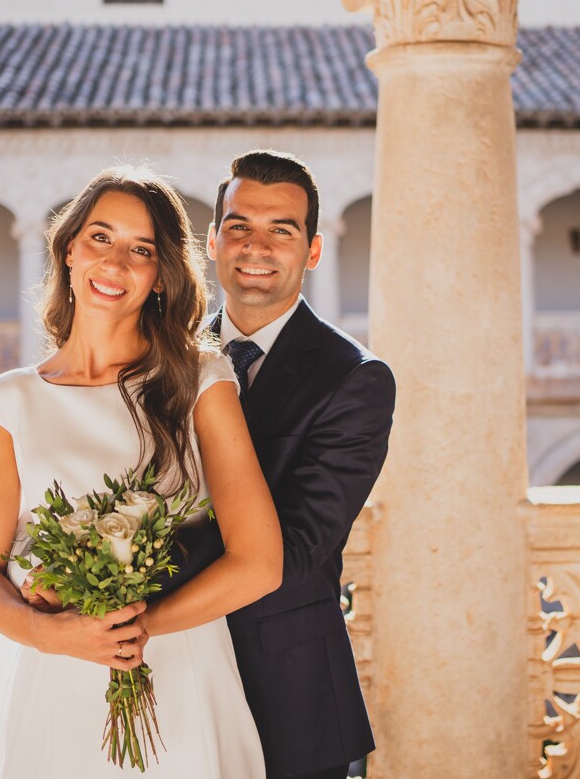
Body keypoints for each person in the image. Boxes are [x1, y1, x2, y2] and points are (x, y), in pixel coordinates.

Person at [0, 166, 283, 778]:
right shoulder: (10, 401)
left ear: (161, 277)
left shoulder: (202, 384)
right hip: (45, 679)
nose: (116, 264)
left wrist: (131, 630)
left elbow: (260, 563)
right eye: (101, 238)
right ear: (70, 249)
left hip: (177, 669)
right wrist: (55, 636)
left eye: (142, 250)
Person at [167, 149, 397, 779]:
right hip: (170, 678)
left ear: (312, 250)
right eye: (239, 227)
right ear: (212, 241)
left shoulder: (355, 379)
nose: (256, 247)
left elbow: (293, 551)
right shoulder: (166, 361)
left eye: (281, 231)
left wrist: (133, 585)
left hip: (287, 691)